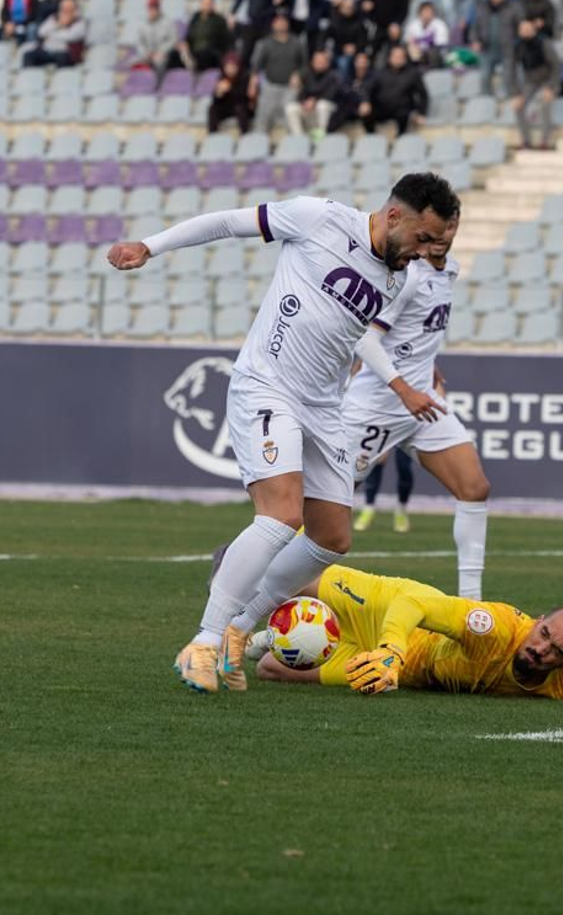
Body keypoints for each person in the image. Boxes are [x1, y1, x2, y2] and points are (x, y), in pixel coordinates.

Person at [104, 174, 461, 694]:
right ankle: (202, 643)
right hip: (267, 386)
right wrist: (150, 246)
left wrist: (413, 371)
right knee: (280, 516)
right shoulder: (320, 218)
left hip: (324, 405)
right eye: (424, 240)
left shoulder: (399, 277)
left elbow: (353, 335)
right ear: (394, 217)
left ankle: (239, 630)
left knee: (332, 536)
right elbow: (227, 222)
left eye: (440, 246)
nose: (427, 253)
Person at [342, 218, 490, 595]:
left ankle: (471, 605)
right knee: (325, 515)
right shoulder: (407, 276)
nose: (443, 235)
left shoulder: (450, 270)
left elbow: (417, 334)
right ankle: (247, 579)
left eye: (451, 226)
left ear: (456, 228)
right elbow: (366, 342)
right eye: (436, 227)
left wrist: (426, 366)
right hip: (376, 407)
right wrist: (405, 389)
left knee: (474, 487)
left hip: (423, 406)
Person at [249, 564, 563, 700]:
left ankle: (275, 636)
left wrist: (392, 662)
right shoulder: (495, 627)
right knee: (289, 579)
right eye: (545, 633)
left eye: (556, 652)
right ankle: (234, 579)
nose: (540, 649)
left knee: (269, 669)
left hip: (399, 670)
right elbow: (413, 606)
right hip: (394, 613)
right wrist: (391, 649)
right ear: (537, 621)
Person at [249, 13, 305, 134]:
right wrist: (253, 85)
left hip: (290, 88)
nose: (280, 24)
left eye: (283, 21)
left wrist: (298, 75)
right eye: (277, 22)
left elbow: (305, 64)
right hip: (270, 86)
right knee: (263, 119)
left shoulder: (297, 42)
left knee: (290, 118)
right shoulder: (265, 43)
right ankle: (259, 143)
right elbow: (256, 67)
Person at [511, 18, 560, 151]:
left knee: (545, 104)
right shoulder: (518, 46)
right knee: (518, 106)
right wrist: (516, 93)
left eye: (528, 29)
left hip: (547, 79)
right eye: (522, 30)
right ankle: (526, 141)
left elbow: (556, 65)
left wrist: (551, 87)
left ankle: (545, 141)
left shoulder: (544, 43)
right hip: (530, 81)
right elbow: (513, 70)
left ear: (533, 30)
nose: (525, 32)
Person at [361, 43, 428, 134]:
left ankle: (400, 141)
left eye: (401, 56)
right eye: (395, 56)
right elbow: (367, 89)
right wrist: (365, 102)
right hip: (382, 108)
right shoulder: (380, 73)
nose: (398, 59)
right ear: (389, 57)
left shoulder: (412, 74)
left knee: (404, 116)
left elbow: (423, 94)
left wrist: (421, 113)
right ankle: (372, 137)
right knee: (366, 114)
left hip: (402, 109)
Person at [353, 449, 415, 533]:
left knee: (404, 467)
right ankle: (368, 508)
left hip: (404, 437)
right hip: (384, 436)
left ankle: (401, 510)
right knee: (376, 461)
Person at [285, 47, 342, 138]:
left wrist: (315, 100)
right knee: (291, 108)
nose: (319, 64)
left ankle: (320, 135)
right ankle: (298, 138)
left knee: (322, 105)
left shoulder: (334, 76)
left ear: (327, 63)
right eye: (317, 61)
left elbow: (331, 94)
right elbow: (301, 93)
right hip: (309, 108)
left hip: (328, 110)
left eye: (322, 61)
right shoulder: (307, 74)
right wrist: (304, 102)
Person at [22, 0, 84, 67]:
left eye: (69, 9)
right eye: (63, 9)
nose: (65, 11)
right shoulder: (53, 18)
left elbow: (71, 36)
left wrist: (51, 34)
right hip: (47, 50)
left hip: (64, 52)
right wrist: (58, 25)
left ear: (74, 9)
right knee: (28, 55)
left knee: (62, 58)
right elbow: (41, 32)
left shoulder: (79, 22)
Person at [206, 51, 254, 131]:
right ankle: (212, 134)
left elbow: (243, 97)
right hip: (227, 107)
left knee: (240, 109)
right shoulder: (222, 77)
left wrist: (230, 89)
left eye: (233, 67)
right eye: (228, 67)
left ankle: (245, 134)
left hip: (242, 107)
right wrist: (219, 93)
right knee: (212, 109)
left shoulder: (244, 77)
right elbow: (215, 100)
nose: (230, 70)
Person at [403, 1, 451, 67]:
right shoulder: (413, 25)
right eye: (425, 11)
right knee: (409, 49)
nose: (427, 14)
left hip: (434, 54)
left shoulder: (440, 24)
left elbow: (440, 45)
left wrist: (423, 51)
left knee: (433, 53)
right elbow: (407, 41)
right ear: (419, 13)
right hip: (417, 53)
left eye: (429, 12)